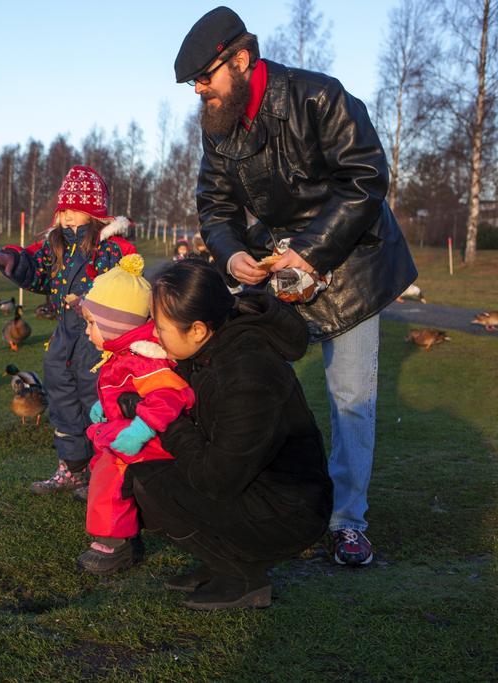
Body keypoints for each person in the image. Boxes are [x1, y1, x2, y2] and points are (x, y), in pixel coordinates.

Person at [174, 6, 417, 566]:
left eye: (205, 77)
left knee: (352, 398)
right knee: (243, 374)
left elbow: (367, 179)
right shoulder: (218, 123)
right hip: (272, 273)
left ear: (241, 58)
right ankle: (267, 496)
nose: (200, 91)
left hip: (351, 267)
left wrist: (309, 253)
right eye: (194, 84)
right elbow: (214, 205)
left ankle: (348, 521)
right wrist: (232, 254)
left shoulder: (320, 97)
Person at [128, 259, 333, 610]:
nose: (153, 334)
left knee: (153, 485)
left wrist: (164, 418)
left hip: (289, 510)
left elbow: (216, 479)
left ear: (197, 329)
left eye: (160, 327)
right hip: (257, 486)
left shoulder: (247, 375)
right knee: (139, 474)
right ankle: (219, 562)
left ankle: (241, 576)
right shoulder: (213, 347)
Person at [0, 165, 135, 494]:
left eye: (75, 211)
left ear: (94, 214)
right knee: (63, 403)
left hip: (98, 342)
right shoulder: (55, 247)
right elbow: (34, 268)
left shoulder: (114, 250)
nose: (66, 218)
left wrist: (93, 303)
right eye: (63, 210)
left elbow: (128, 290)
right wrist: (12, 260)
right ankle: (71, 468)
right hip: (63, 338)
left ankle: (102, 471)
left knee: (97, 403)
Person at [77, 253, 195, 574]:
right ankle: (118, 529)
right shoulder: (122, 353)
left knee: (112, 475)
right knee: (102, 465)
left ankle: (115, 544)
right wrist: (106, 408)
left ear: (115, 325)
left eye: (92, 324)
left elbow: (168, 396)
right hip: (127, 430)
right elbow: (125, 392)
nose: (88, 332)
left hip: (150, 441)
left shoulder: (143, 358)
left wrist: (138, 432)